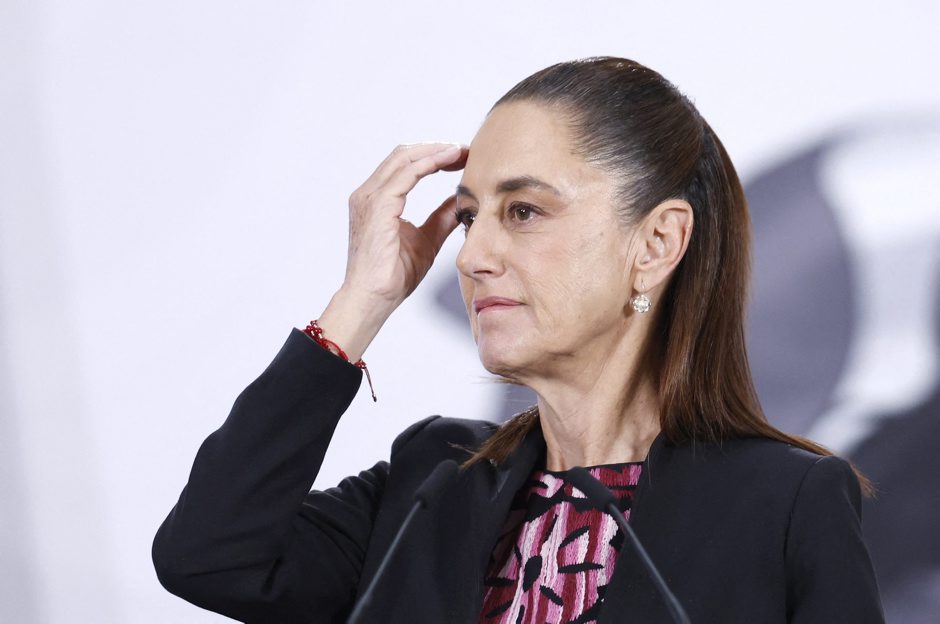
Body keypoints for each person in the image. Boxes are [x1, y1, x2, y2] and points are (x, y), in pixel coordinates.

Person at [152, 57, 885, 623]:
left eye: (525, 211)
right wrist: (361, 302)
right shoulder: (431, 478)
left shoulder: (786, 501)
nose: (471, 257)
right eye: (471, 218)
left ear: (658, 242)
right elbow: (209, 555)